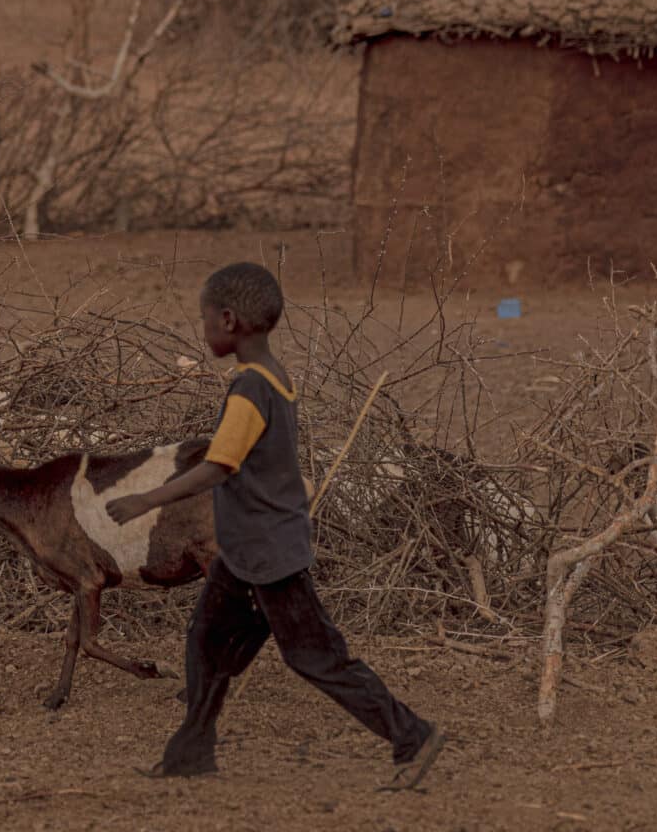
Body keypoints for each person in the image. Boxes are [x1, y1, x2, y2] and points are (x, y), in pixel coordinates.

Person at [105, 260, 446, 786]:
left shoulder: (248, 392)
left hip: (268, 556)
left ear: (227, 320)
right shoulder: (273, 378)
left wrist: (145, 499)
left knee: (317, 659)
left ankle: (412, 737)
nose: (202, 330)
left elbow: (218, 466)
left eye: (203, 320)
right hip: (247, 552)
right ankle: (190, 755)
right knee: (206, 646)